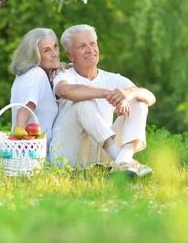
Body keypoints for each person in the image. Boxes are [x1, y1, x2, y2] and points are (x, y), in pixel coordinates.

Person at [50, 24, 156, 177]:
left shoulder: (112, 78)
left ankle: (123, 160)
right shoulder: (64, 74)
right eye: (82, 46)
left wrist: (128, 93)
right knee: (84, 103)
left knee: (139, 101)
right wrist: (109, 94)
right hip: (67, 153)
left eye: (93, 43)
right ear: (70, 55)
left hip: (102, 154)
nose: (90, 50)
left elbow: (150, 97)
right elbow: (64, 90)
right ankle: (125, 162)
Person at [9, 28, 61, 151]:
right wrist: (20, 155)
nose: (55, 54)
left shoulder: (34, 74)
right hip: (34, 155)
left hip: (39, 152)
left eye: (55, 47)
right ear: (34, 55)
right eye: (47, 50)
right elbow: (23, 117)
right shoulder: (35, 75)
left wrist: (63, 66)